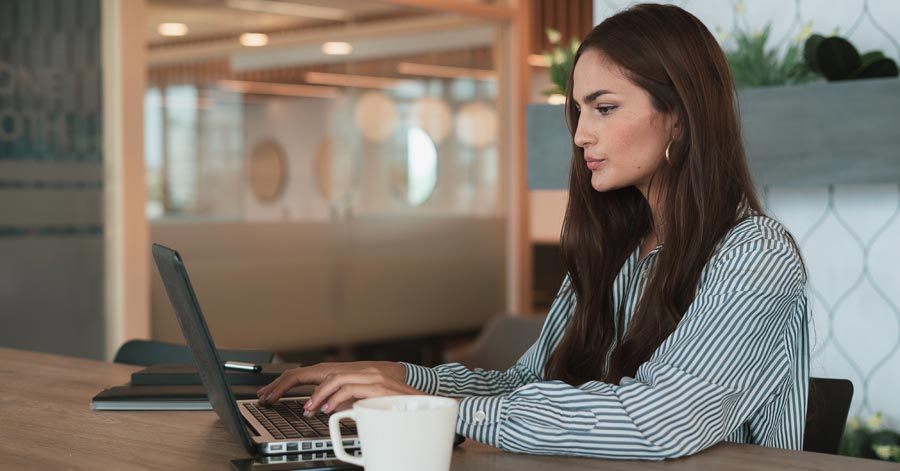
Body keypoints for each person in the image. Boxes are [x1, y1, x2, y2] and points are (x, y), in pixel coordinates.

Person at [257, 3, 809, 460]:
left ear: (680, 117)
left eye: (605, 108)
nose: (581, 135)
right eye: (578, 112)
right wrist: (398, 378)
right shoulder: (615, 249)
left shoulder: (754, 254)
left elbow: (658, 421)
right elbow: (525, 386)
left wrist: (435, 409)